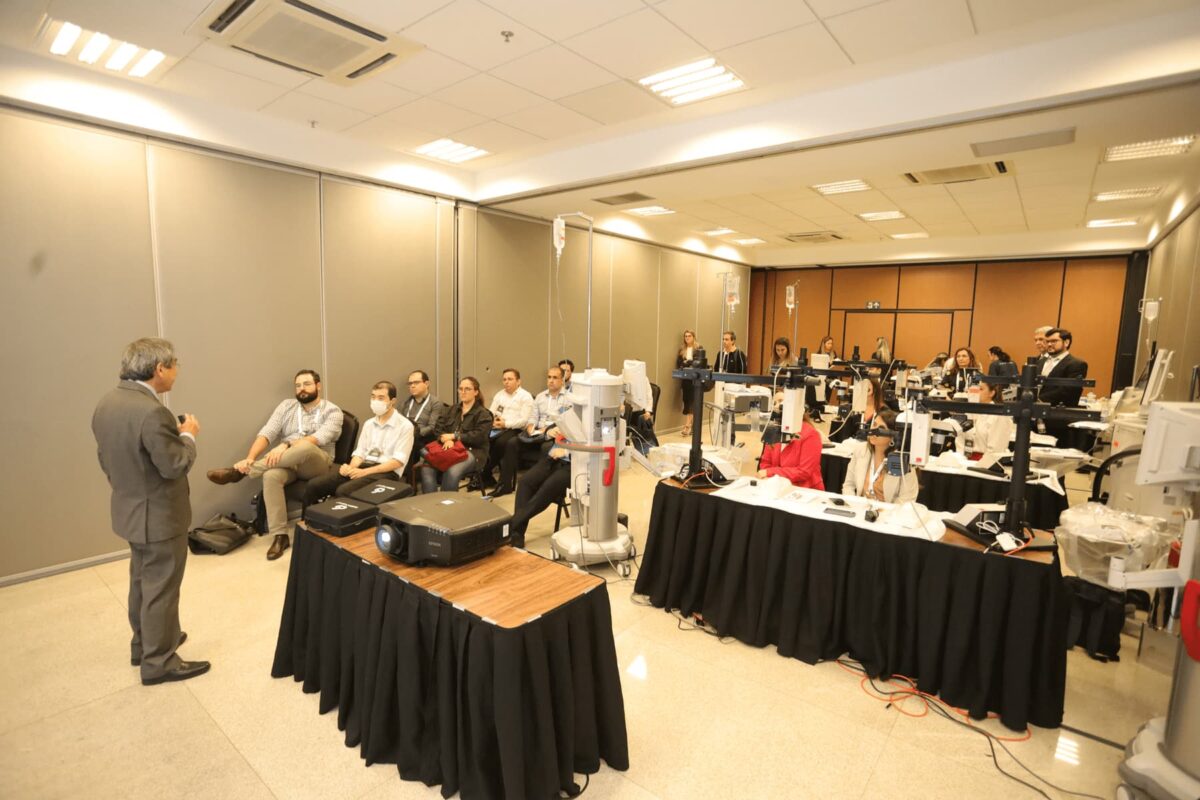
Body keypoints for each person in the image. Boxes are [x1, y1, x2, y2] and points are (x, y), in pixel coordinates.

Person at [92, 337, 209, 685]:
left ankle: (144, 643)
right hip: (159, 516)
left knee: (142, 581)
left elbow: (107, 459)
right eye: (175, 366)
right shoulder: (153, 412)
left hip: (129, 510)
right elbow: (174, 465)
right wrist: (188, 436)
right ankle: (159, 661)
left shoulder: (108, 402)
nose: (176, 372)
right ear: (160, 368)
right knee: (162, 589)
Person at [207, 369, 343, 561]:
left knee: (305, 447)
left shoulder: (333, 411)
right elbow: (267, 433)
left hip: (317, 462)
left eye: (306, 384)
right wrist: (249, 458)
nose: (302, 389)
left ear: (318, 386)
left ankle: (240, 473)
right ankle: (280, 536)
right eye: (298, 385)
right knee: (270, 476)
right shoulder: (286, 406)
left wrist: (285, 445)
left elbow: (317, 439)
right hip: (289, 463)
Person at [305, 381, 414, 501]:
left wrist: (365, 472)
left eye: (381, 398)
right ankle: (310, 514)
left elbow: (397, 462)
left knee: (343, 491)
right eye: (373, 397)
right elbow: (360, 453)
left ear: (392, 401)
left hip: (387, 472)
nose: (375, 401)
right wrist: (350, 468)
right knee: (314, 485)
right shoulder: (369, 424)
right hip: (364, 466)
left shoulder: (405, 426)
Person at [420, 377, 493, 493]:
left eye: (467, 389)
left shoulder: (484, 414)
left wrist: (454, 437)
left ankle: (447, 502)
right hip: (448, 448)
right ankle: (431, 501)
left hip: (473, 451)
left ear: (476, 392)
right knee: (427, 467)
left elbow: (478, 437)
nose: (463, 392)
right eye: (460, 389)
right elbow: (438, 429)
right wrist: (446, 439)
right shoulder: (450, 410)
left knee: (452, 470)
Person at [842, 408, 919, 504]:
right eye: (874, 425)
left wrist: (884, 510)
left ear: (893, 437)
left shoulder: (903, 460)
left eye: (881, 429)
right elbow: (848, 485)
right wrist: (853, 504)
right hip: (858, 509)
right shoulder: (860, 450)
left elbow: (908, 499)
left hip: (888, 512)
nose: (874, 430)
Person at [482, 368, 535, 497]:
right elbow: (491, 413)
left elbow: (524, 421)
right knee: (483, 438)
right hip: (498, 427)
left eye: (510, 379)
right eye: (504, 379)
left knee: (501, 442)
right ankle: (486, 475)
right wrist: (493, 421)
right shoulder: (500, 394)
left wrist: (505, 424)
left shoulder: (525, 396)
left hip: (516, 429)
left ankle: (485, 473)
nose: (506, 382)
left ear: (518, 381)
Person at [508, 443, 571, 549]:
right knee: (525, 481)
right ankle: (517, 533)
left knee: (547, 488)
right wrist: (549, 433)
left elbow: (592, 447)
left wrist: (566, 452)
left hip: (576, 464)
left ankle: (510, 525)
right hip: (554, 457)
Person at [1039, 327, 1089, 444]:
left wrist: (1038, 400)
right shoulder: (1040, 362)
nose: (1049, 344)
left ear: (1066, 342)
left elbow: (1068, 390)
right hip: (1035, 417)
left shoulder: (1077, 364)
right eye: (1047, 341)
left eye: (1054, 341)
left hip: (1058, 420)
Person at [757, 410, 824, 489]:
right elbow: (765, 463)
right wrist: (770, 478)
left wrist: (770, 472)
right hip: (775, 486)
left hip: (805, 489)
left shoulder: (811, 434)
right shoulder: (773, 429)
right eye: (775, 404)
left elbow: (804, 472)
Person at [399, 370, 446, 482]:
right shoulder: (406, 403)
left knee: (412, 442)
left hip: (425, 438)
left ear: (426, 383)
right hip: (406, 436)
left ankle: (410, 483)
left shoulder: (435, 403)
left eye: (416, 382)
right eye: (410, 383)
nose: (412, 386)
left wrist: (414, 434)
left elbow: (432, 427)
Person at [964, 380, 1013, 459]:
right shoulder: (973, 412)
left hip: (986, 462)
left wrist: (980, 464)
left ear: (991, 393)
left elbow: (995, 451)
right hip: (966, 460)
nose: (976, 392)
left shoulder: (999, 416)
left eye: (981, 389)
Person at [829, 376, 883, 443]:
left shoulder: (883, 413)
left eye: (867, 387)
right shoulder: (853, 412)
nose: (864, 388)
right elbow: (845, 440)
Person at [676, 329, 703, 435]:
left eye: (689, 336)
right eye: (686, 336)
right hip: (685, 379)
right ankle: (693, 427)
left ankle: (687, 426)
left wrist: (687, 362)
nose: (687, 338)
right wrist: (688, 363)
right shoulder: (682, 350)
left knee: (693, 402)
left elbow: (698, 363)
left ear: (693, 337)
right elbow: (679, 364)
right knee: (687, 402)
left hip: (695, 379)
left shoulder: (698, 349)